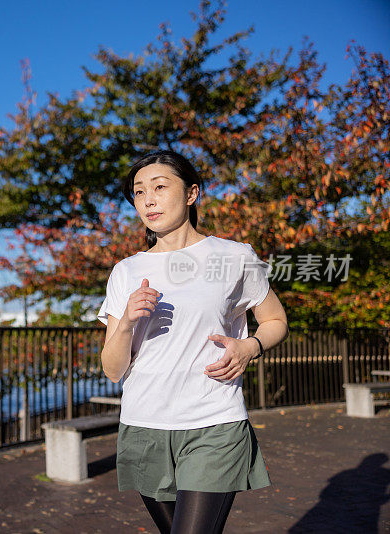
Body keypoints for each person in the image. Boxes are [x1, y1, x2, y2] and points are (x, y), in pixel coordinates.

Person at [97, 149, 289, 534]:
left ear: (191, 194)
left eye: (159, 187)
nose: (148, 199)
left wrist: (249, 347)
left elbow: (275, 319)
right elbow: (114, 370)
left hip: (213, 423)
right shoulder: (127, 271)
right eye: (137, 192)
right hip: (144, 425)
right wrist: (125, 324)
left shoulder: (234, 257)